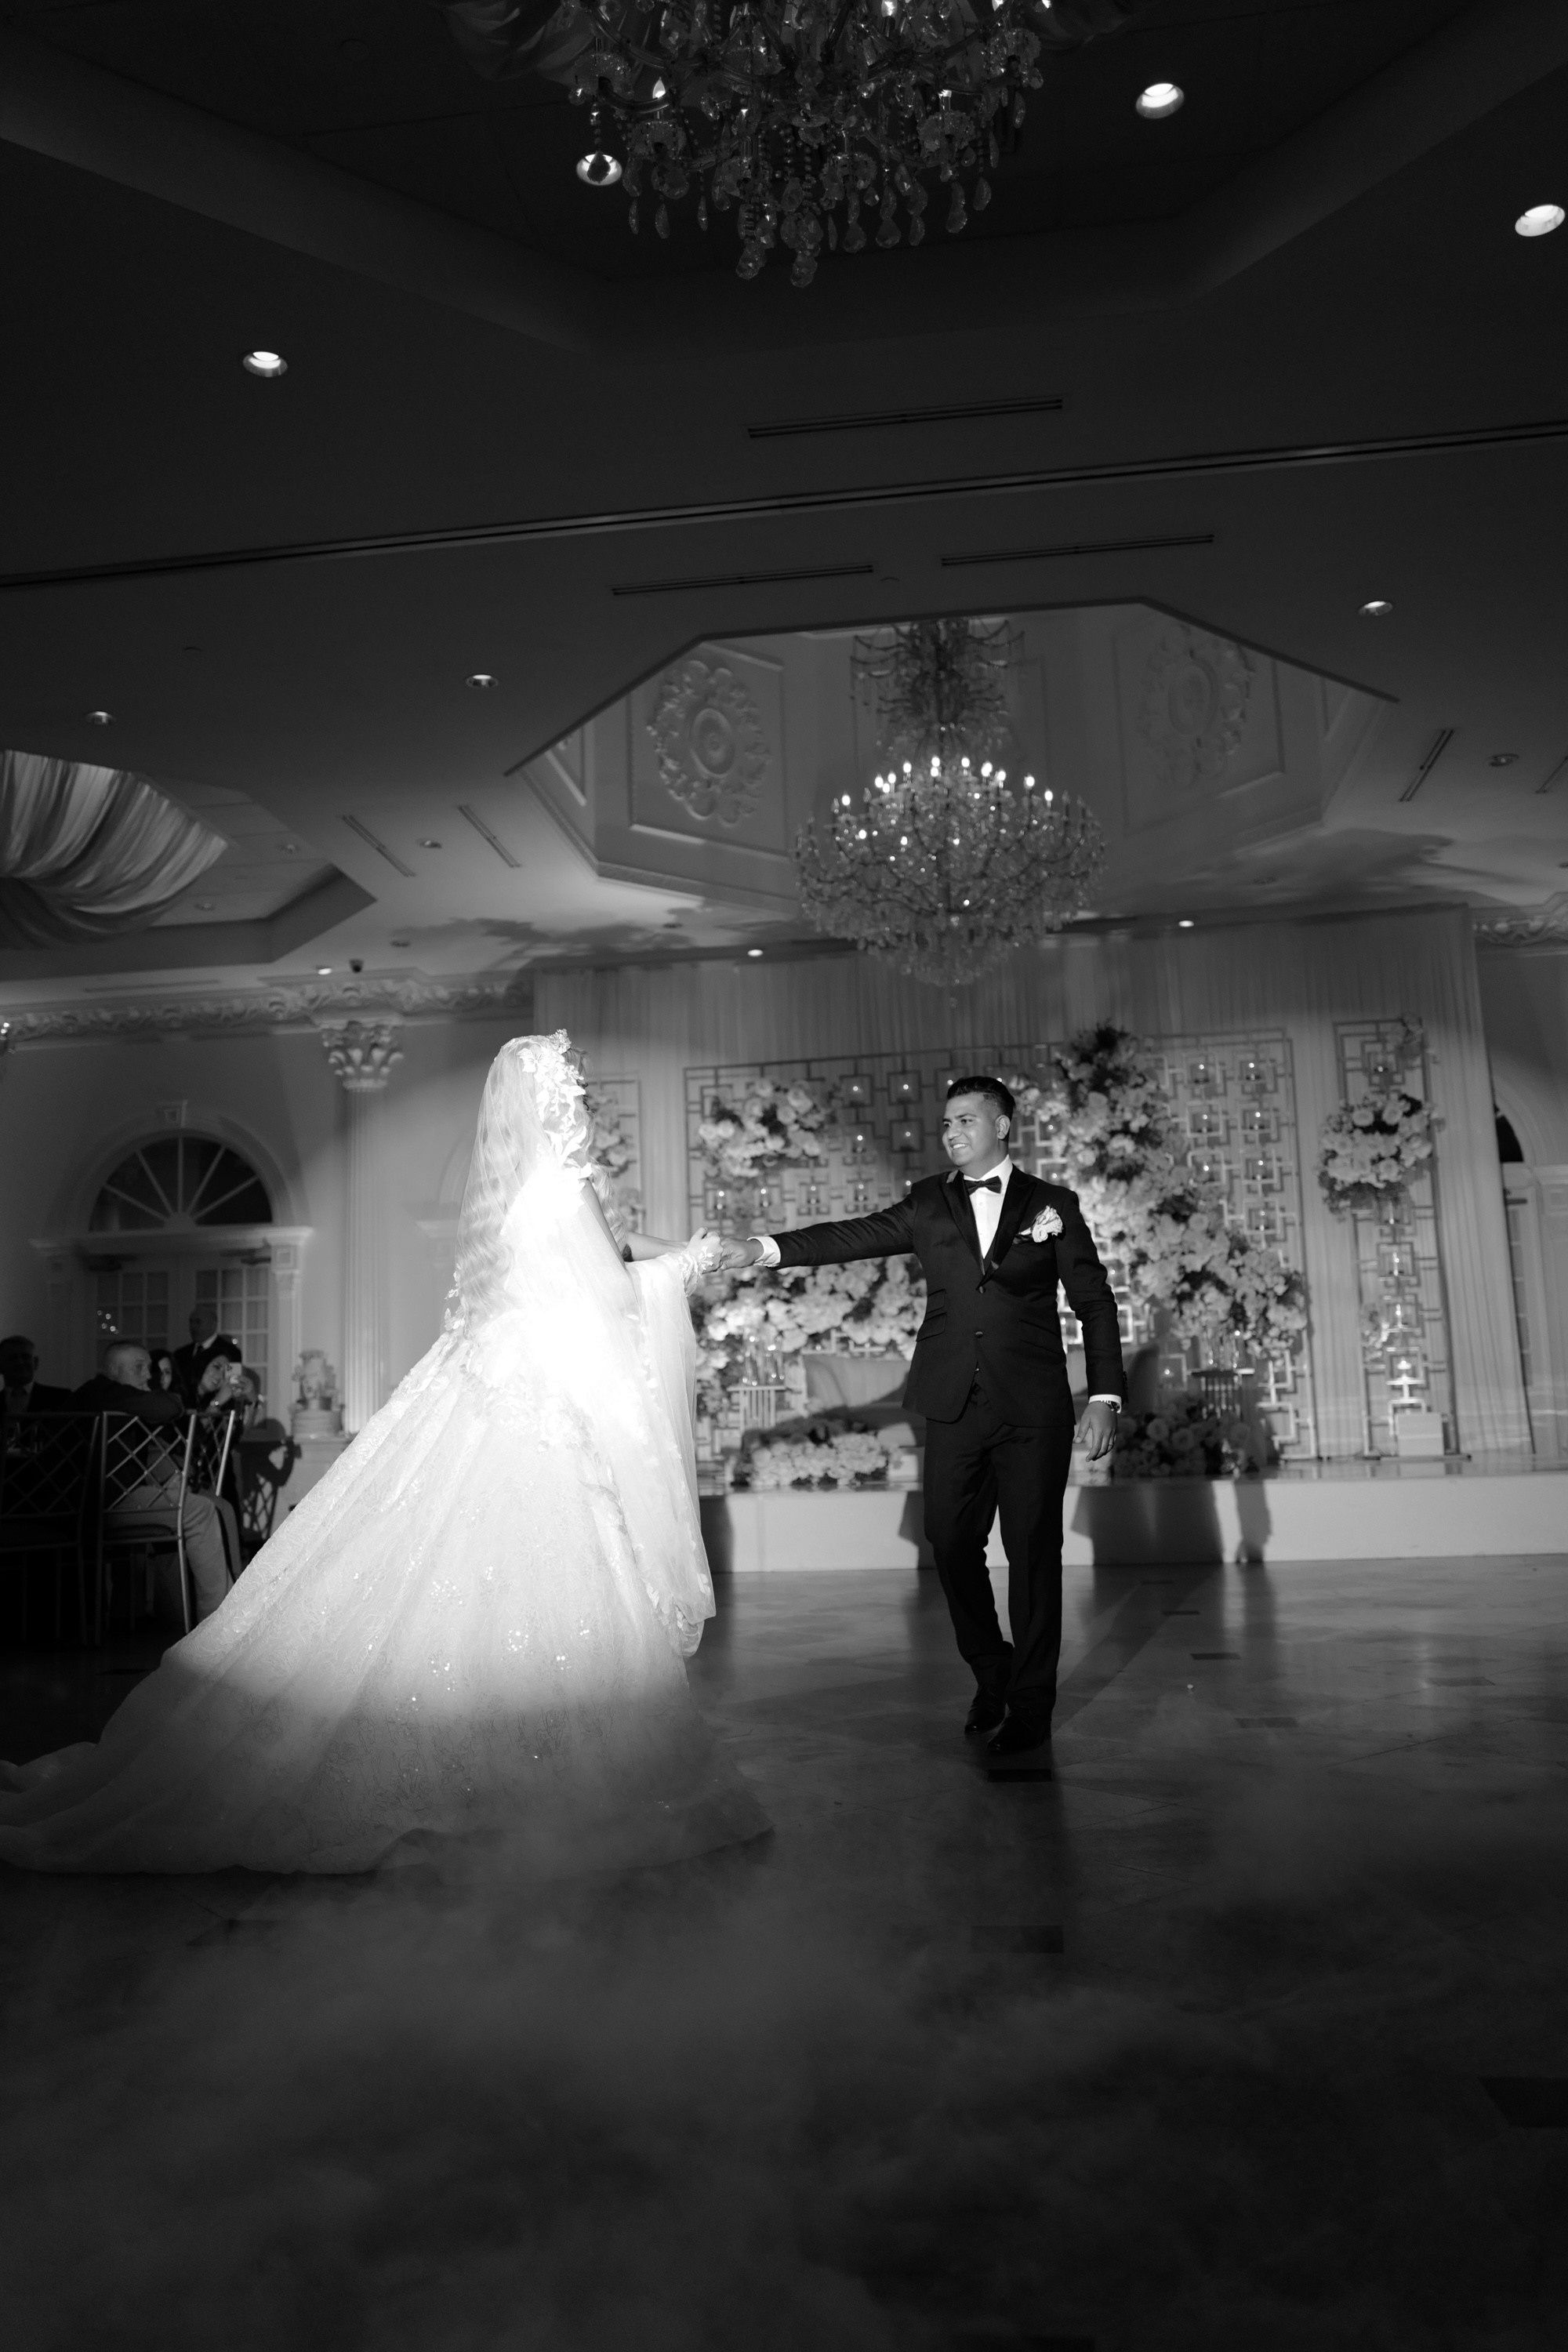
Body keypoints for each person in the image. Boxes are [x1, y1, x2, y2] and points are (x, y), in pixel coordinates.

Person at [0, 1033, 766, 1877]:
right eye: (576, 1091)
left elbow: (603, 1257)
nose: (584, 1103)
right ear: (551, 1105)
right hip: (538, 1411)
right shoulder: (566, 1186)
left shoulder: (523, 1197)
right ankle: (537, 1775)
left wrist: (680, 1251)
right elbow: (616, 1292)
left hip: (490, 1388)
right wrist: (692, 1262)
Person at [722, 1074, 1124, 1757]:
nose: (952, 1131)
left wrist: (1105, 1398)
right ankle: (990, 1666)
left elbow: (1095, 1302)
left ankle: (1030, 1706)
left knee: (1033, 1555)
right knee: (949, 1539)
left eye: (967, 1119)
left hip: (1033, 1407)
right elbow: (850, 1236)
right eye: (946, 1123)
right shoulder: (928, 1202)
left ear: (1002, 1126)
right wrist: (763, 1249)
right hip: (952, 1402)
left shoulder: (1053, 1204)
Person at [71, 1342, 236, 1622]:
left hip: (95, 1500)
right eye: (140, 1368)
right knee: (199, 1510)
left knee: (207, 1505)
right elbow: (169, 1407)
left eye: (149, 1367)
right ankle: (219, 1618)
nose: (149, 1376)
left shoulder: (102, 1394)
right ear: (113, 1370)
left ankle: (212, 1612)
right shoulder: (108, 1392)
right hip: (101, 1503)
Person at [169, 1305, 241, 1409]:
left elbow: (232, 1383)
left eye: (198, 1322)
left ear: (213, 1324)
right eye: (191, 1322)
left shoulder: (230, 1351)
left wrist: (216, 1404)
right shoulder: (180, 1353)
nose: (193, 1327)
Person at [0, 1335, 74, 1417]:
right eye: (13, 1358)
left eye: (26, 1357)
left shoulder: (61, 1398)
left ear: (35, 1363)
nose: (20, 1362)